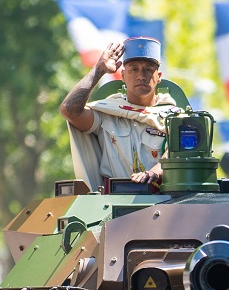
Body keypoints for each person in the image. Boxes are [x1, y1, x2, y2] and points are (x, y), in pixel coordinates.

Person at [63, 37, 180, 189]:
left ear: (159, 77)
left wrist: (155, 172)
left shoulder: (174, 117)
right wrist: (99, 70)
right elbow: (69, 110)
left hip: (161, 197)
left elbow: (178, 151)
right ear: (123, 75)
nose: (141, 76)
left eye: (148, 70)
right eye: (134, 69)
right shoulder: (107, 113)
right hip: (113, 199)